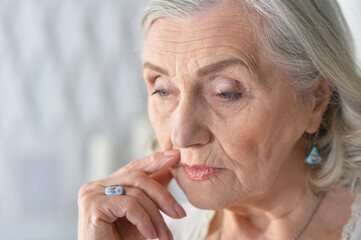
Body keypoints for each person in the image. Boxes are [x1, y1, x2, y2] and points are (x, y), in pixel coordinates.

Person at [78, 0, 361, 239]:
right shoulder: (152, 232)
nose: (181, 135)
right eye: (163, 89)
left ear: (315, 101)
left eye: (225, 93)